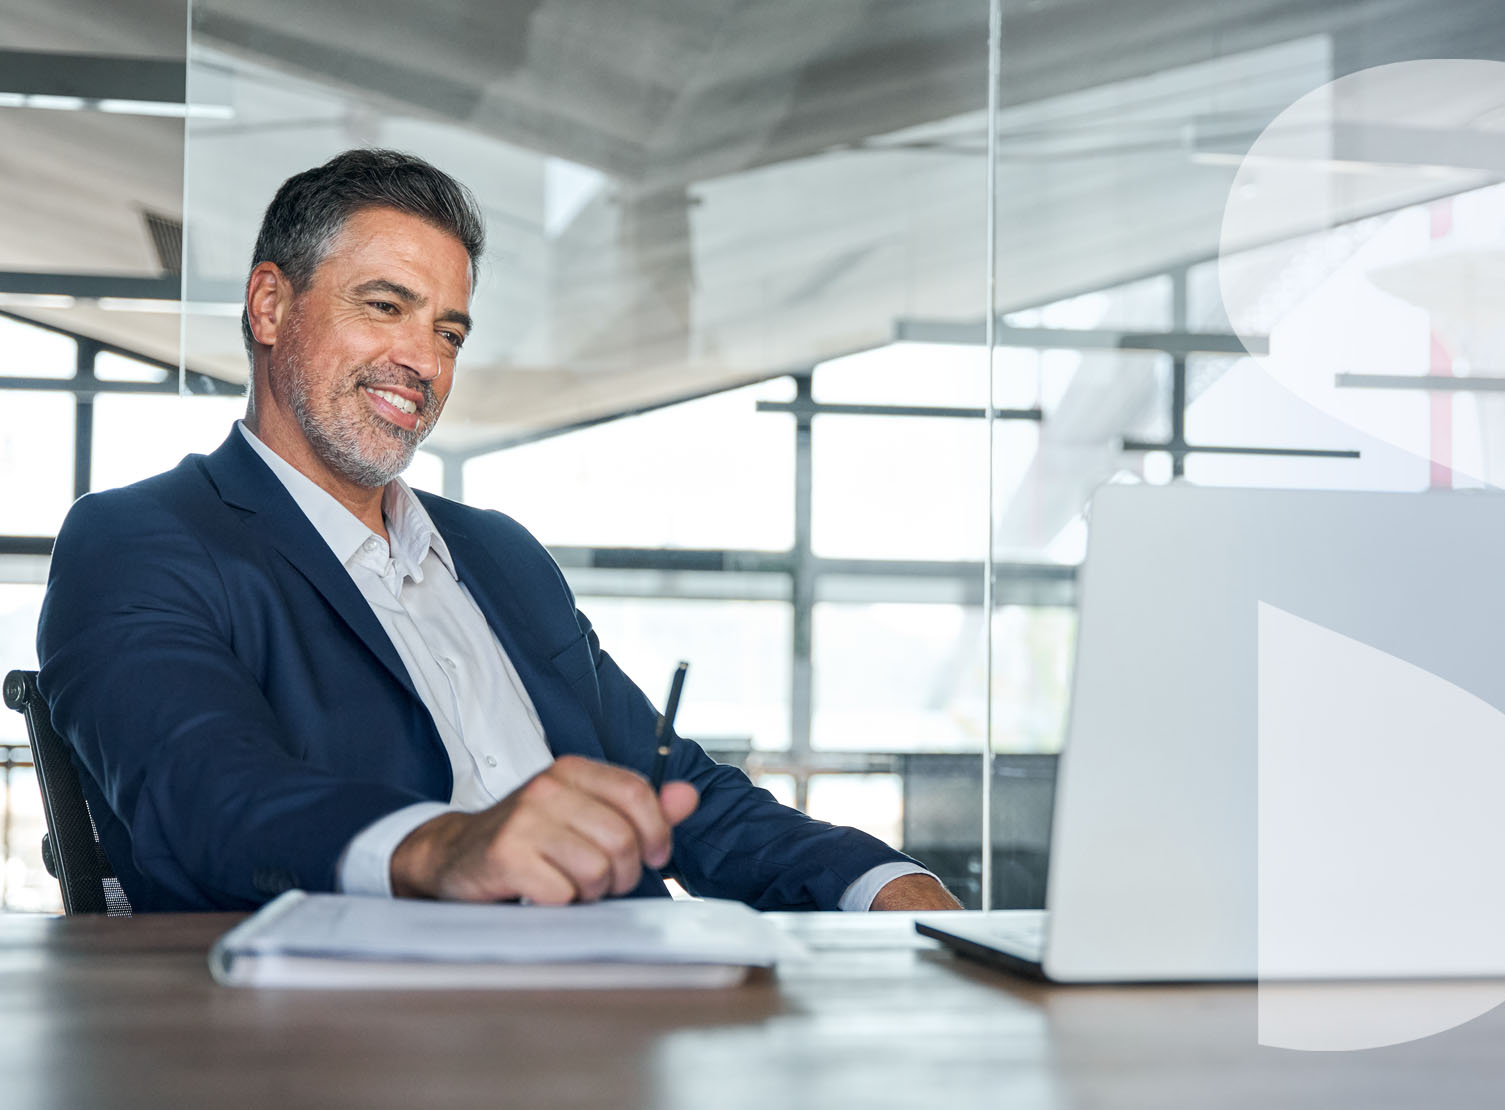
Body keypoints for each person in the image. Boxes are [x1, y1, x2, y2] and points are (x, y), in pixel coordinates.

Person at [36, 149, 960, 914]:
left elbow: (680, 796)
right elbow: (206, 800)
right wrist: (446, 846)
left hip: (623, 1026)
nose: (423, 361)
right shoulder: (140, 540)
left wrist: (882, 886)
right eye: (384, 306)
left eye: (449, 332)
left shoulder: (499, 555)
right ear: (270, 306)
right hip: (364, 1047)